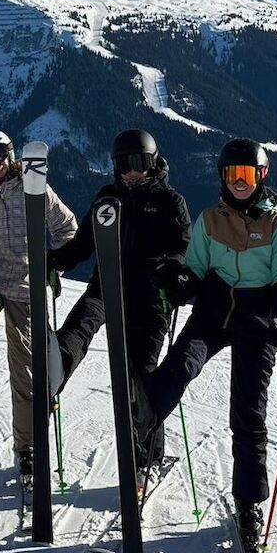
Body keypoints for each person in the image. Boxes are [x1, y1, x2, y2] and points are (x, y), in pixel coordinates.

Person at [142, 138, 277, 536]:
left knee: (249, 410)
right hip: (214, 311)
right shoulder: (210, 219)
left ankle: (248, 501)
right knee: (179, 365)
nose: (239, 182)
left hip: (256, 320)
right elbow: (194, 269)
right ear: (223, 177)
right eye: (232, 175)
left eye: (246, 175)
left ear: (261, 177)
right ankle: (140, 418)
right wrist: (178, 284)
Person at [46, 128, 191, 491]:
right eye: (124, 164)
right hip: (106, 286)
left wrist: (172, 273)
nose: (132, 172)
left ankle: (148, 456)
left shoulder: (170, 201)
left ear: (154, 161)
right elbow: (82, 245)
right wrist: (53, 260)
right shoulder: (108, 198)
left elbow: (182, 247)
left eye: (139, 163)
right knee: (80, 323)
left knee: (139, 377)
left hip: (150, 298)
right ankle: (56, 364)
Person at [0, 129, 77, 493]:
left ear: (10, 154)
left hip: (27, 284)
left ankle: (26, 448)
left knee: (25, 368)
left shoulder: (34, 189)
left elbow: (67, 228)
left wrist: (57, 261)